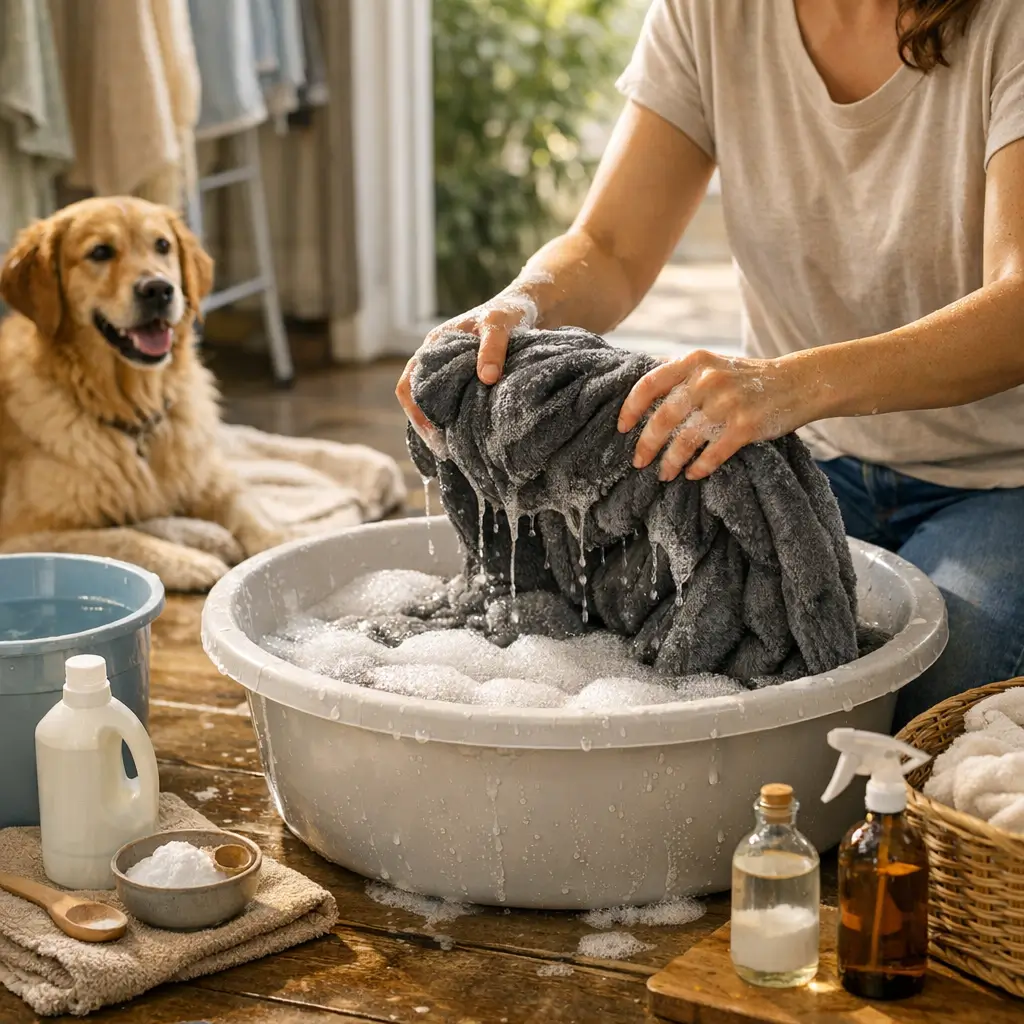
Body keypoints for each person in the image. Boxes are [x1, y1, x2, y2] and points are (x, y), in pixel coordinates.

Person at [398, 0, 1024, 729]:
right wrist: (520, 304)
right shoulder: (711, 13)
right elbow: (610, 247)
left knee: (929, 707)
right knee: (644, 648)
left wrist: (792, 383)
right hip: (803, 460)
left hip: (998, 478)